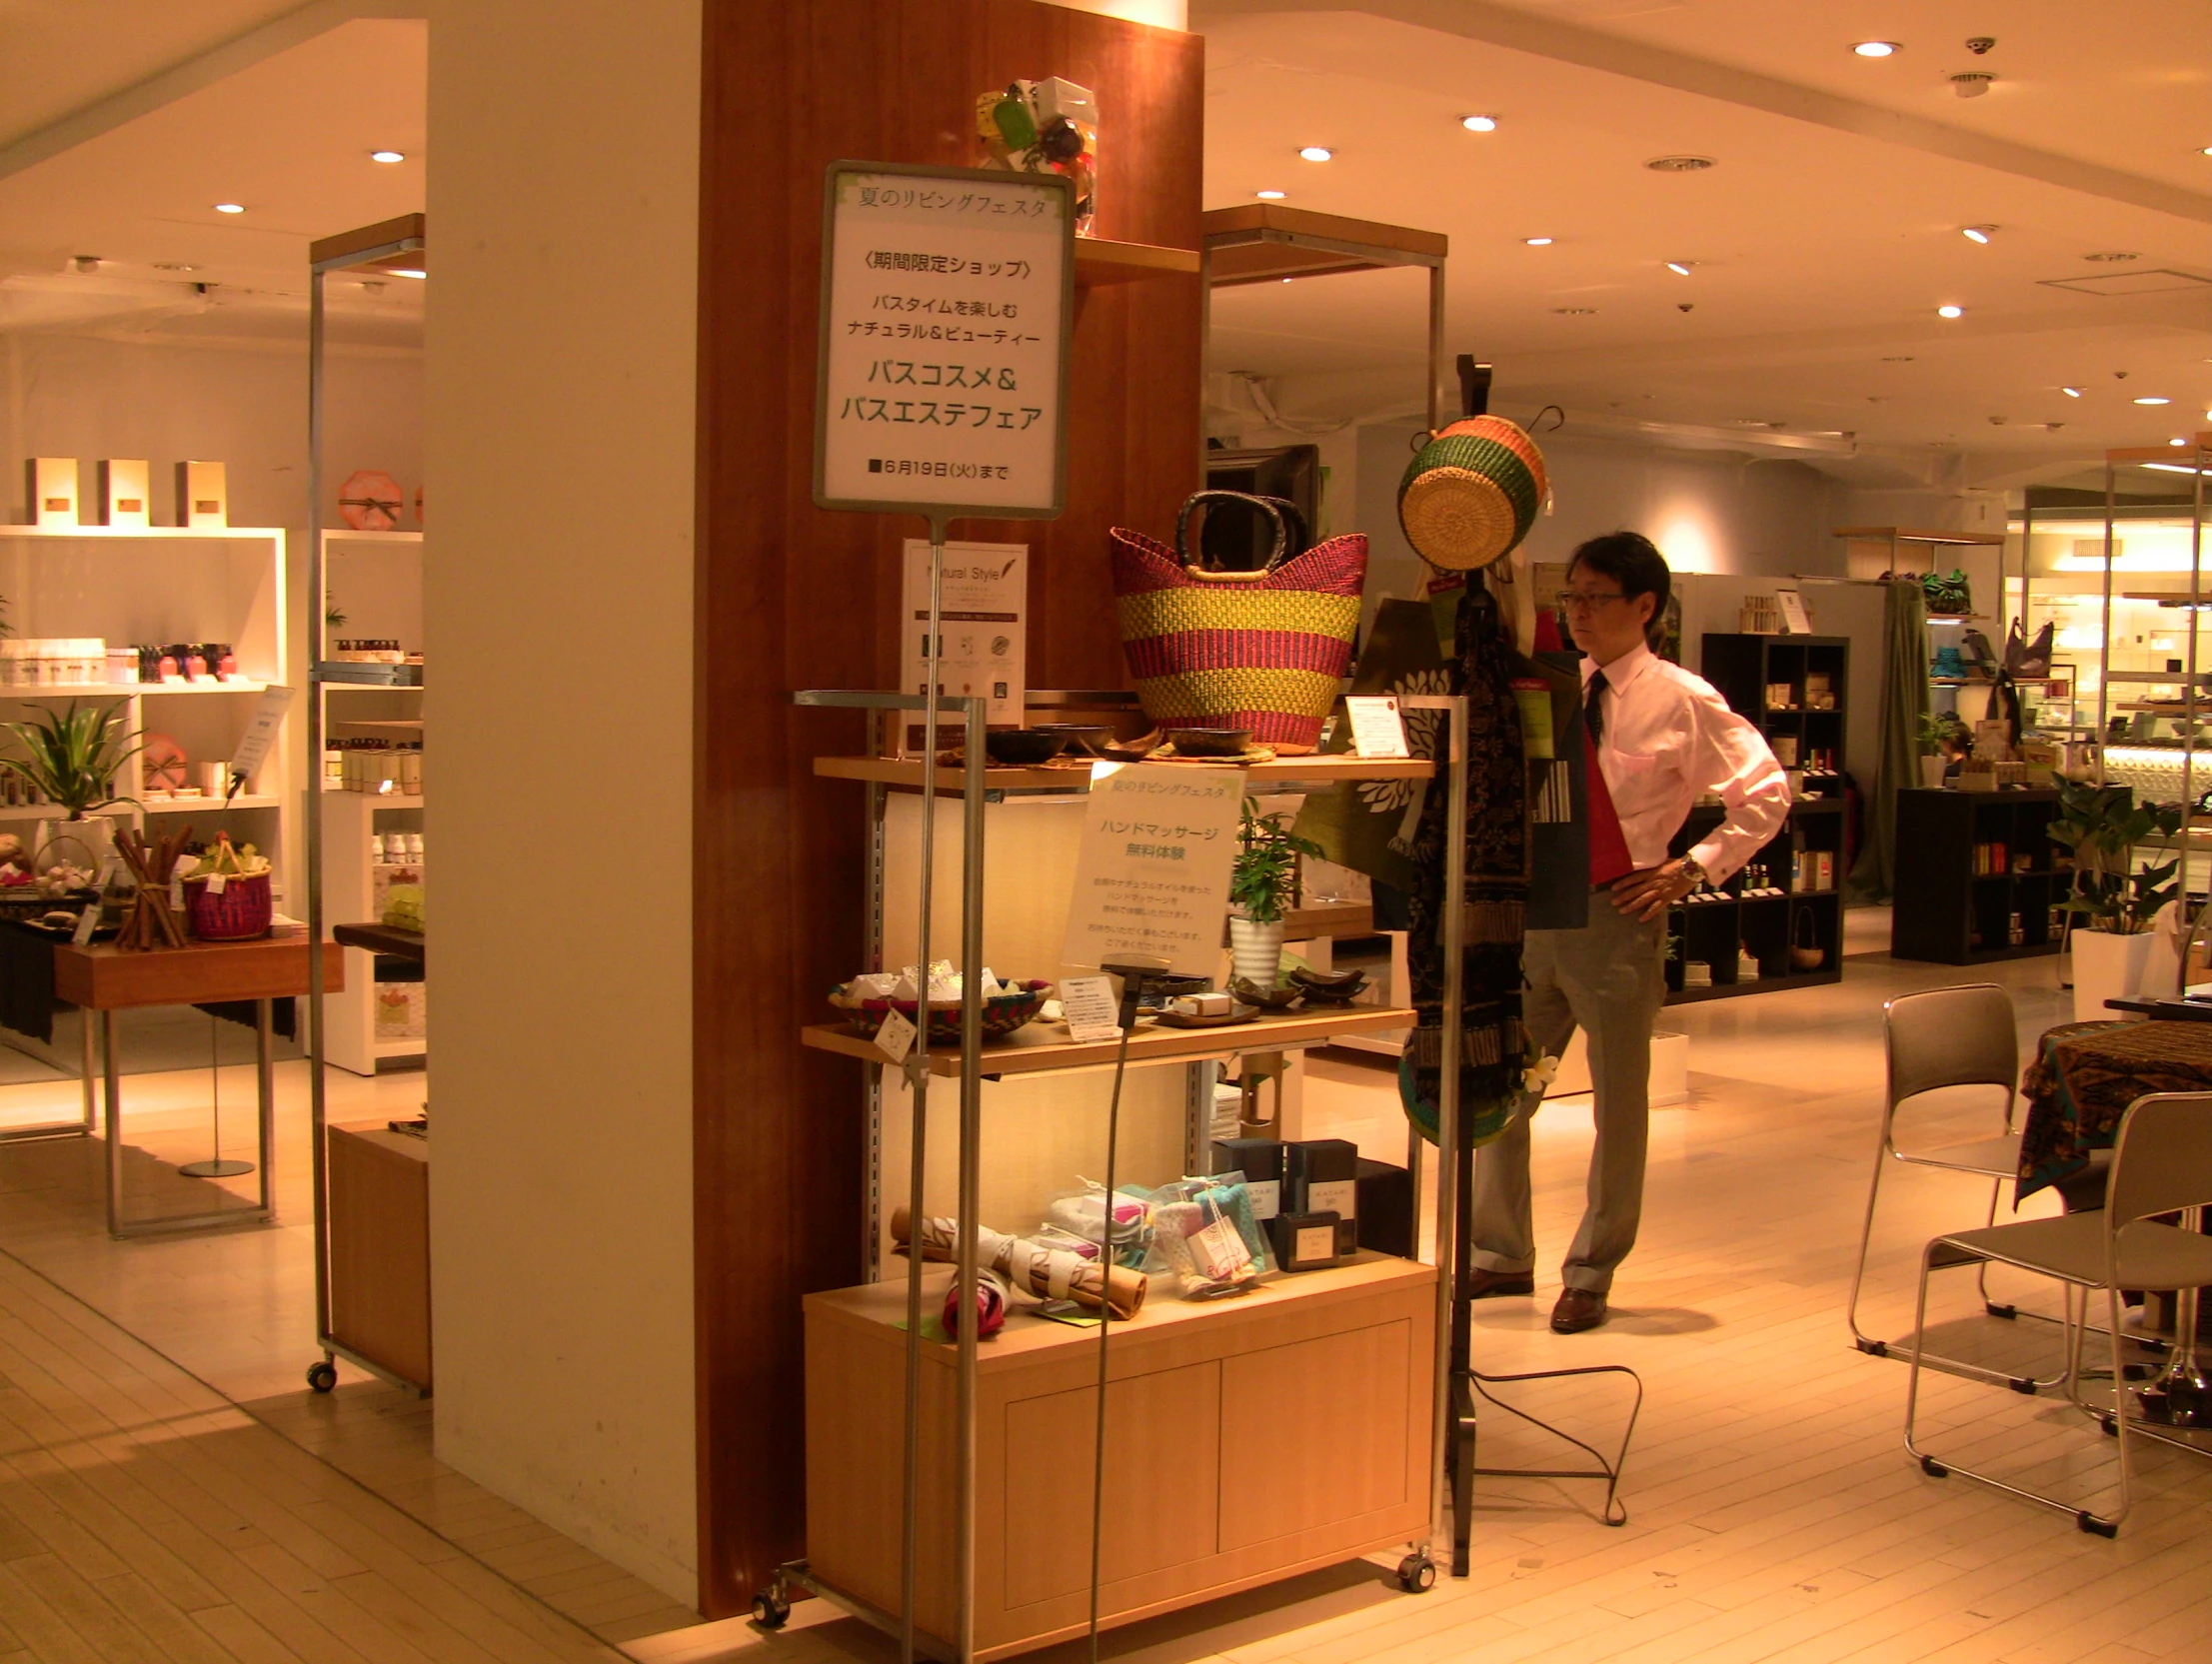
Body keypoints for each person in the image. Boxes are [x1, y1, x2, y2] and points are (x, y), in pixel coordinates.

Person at [1469, 532, 1789, 1333]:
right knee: (1503, 1087)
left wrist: (1691, 868)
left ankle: (1592, 1268)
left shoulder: (1683, 697)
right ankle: (1500, 1251)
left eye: (1593, 597)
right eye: (1568, 596)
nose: (1575, 611)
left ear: (1643, 606)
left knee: (1618, 1101)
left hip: (1619, 913)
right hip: (1537, 911)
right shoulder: (1553, 688)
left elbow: (1766, 793)